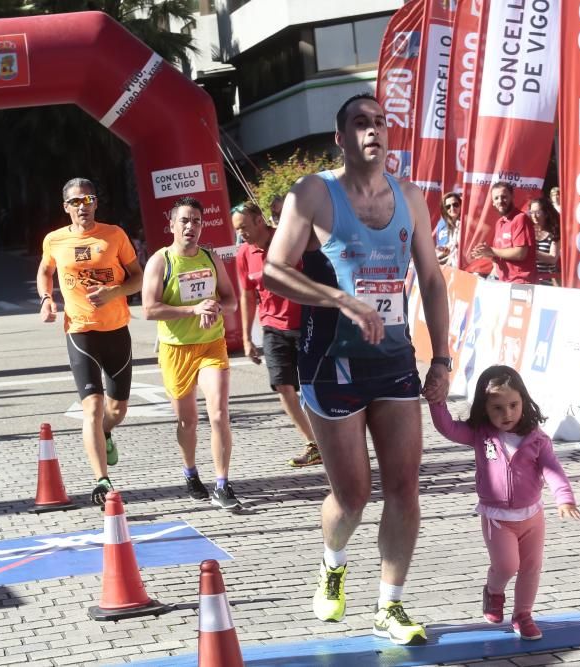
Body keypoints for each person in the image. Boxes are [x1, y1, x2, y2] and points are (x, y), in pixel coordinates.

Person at [263, 93, 451, 646]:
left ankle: (389, 605)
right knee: (353, 495)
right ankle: (333, 562)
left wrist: (440, 356)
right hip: (329, 363)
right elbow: (274, 272)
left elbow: (434, 281)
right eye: (360, 124)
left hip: (393, 362)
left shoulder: (410, 197)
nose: (372, 131)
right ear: (340, 139)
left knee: (405, 488)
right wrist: (341, 300)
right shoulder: (313, 194)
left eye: (379, 122)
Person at [430, 365, 580, 638]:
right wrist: (436, 400)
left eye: (513, 405)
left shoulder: (537, 438)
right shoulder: (480, 434)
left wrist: (565, 499)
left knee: (531, 567)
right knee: (507, 566)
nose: (507, 413)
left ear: (524, 401)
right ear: (484, 408)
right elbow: (447, 427)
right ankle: (493, 591)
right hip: (497, 517)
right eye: (497, 407)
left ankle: (523, 615)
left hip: (532, 517)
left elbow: (552, 468)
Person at [37, 178, 143, 508]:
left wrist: (114, 291)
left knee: (116, 410)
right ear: (66, 207)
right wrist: (45, 299)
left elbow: (137, 276)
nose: (83, 206)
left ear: (96, 203)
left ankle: (107, 432)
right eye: (76, 202)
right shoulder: (54, 240)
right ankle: (101, 479)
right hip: (80, 331)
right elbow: (45, 270)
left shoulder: (114, 235)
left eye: (88, 200)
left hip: (116, 329)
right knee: (92, 408)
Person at [142, 196, 242, 511]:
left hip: (211, 344)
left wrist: (215, 307)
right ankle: (190, 473)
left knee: (218, 414)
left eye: (196, 221)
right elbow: (149, 309)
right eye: (184, 220)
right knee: (188, 421)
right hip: (176, 349)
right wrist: (192, 309)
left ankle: (223, 484)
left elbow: (231, 301)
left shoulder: (211, 258)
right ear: (171, 225)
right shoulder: (161, 261)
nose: (191, 227)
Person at [233, 201, 322, 468]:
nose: (241, 234)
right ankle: (312, 443)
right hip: (272, 327)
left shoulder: (289, 240)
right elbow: (247, 295)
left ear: (260, 221)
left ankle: (335, 437)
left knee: (314, 388)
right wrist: (248, 338)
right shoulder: (243, 254)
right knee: (282, 385)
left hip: (306, 323)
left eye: (244, 228)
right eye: (238, 230)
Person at [471, 181, 536, 284]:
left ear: (512, 197)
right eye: (496, 198)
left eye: (504, 196)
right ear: (492, 202)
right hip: (503, 282)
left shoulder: (520, 218)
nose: (500, 201)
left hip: (521, 282)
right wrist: (485, 252)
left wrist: (492, 250)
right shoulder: (499, 223)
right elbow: (501, 254)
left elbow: (520, 253)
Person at [528, 197, 561, 286]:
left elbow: (553, 258)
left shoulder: (554, 232)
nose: (534, 216)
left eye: (537, 212)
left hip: (547, 281)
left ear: (546, 213)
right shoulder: (528, 231)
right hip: (529, 279)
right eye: (531, 212)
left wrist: (530, 251)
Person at [435, 191, 461, 268]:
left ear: (461, 205)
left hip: (465, 268)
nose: (452, 208)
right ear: (444, 209)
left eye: (455, 205)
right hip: (449, 267)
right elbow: (442, 249)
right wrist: (443, 251)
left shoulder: (467, 222)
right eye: (448, 206)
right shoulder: (442, 224)